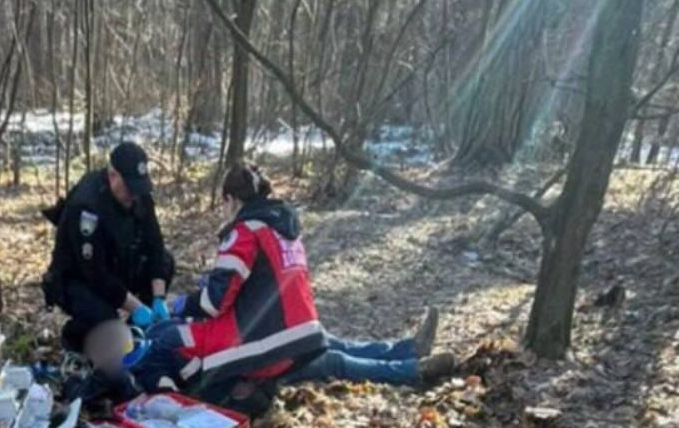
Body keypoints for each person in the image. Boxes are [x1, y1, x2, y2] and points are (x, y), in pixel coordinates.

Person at [133, 163, 455, 401]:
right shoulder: (280, 226)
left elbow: (216, 302)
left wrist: (181, 304)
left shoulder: (244, 233)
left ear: (231, 199)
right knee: (335, 348)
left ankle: (412, 370)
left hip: (269, 337)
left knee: (334, 361)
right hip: (298, 322)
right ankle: (408, 350)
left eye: (224, 203)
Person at [42, 141, 175, 356]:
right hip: (77, 279)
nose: (134, 195)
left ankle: (137, 329)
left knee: (165, 262)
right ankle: (75, 337)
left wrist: (158, 297)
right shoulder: (87, 207)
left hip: (117, 265)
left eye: (137, 188)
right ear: (113, 175)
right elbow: (96, 275)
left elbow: (155, 244)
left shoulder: (138, 194)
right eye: (129, 188)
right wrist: (137, 306)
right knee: (105, 319)